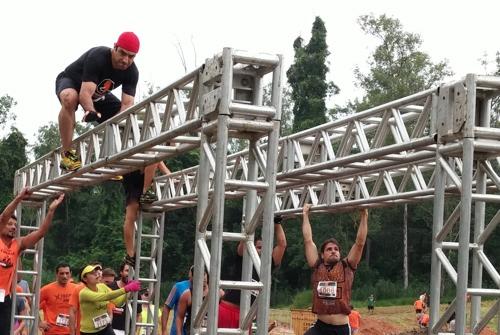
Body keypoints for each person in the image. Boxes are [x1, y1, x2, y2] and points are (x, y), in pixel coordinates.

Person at [56, 31, 140, 171]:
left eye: (131, 56)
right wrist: (91, 111)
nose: (125, 60)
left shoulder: (132, 72)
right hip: (72, 83)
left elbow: (127, 104)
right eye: (123, 53)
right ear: (115, 47)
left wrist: (116, 123)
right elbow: (84, 94)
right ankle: (67, 155)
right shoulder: (98, 56)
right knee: (70, 98)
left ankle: (114, 158)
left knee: (125, 120)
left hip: (97, 94)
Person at [0, 188, 65, 335]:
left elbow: (41, 232)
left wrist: (51, 211)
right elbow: (3, 216)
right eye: (9, 224)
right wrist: (18, 199)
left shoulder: (18, 244)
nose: (13, 227)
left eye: (15, 225)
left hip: (4, 297)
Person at [301, 204, 368, 335]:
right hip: (320, 327)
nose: (333, 251)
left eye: (336, 249)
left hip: (341, 329)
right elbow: (308, 240)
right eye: (329, 249)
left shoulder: (347, 266)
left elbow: (360, 243)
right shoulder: (317, 265)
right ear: (322, 254)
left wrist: (364, 215)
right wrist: (305, 215)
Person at [218, 215, 287, 328]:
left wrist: (277, 223)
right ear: (251, 247)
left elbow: (282, 245)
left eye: (265, 248)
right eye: (259, 247)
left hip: (246, 316)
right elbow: (243, 243)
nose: (262, 250)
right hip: (228, 309)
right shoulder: (244, 259)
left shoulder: (267, 266)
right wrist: (252, 221)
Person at [78, 264, 140, 335]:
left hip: (105, 328)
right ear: (85, 279)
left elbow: (119, 302)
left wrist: (129, 291)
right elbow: (105, 297)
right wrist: (126, 288)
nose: (97, 275)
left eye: (96, 272)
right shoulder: (84, 293)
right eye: (92, 273)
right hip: (89, 332)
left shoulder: (102, 287)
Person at [39, 263, 78, 335]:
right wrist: (39, 322)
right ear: (56, 274)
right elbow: (33, 305)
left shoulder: (76, 288)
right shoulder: (47, 289)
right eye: (62, 273)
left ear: (70, 274)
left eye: (67, 273)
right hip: (52, 331)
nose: (65, 276)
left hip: (72, 331)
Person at [105, 263, 141, 335]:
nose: (130, 274)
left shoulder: (136, 292)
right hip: (108, 330)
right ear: (121, 272)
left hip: (126, 331)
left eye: (132, 271)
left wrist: (134, 332)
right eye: (127, 270)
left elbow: (138, 314)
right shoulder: (109, 287)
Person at [161, 266, 194, 335]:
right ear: (190, 274)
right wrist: (164, 330)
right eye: (193, 271)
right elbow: (166, 307)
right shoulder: (178, 286)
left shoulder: (206, 290)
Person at [175, 269, 209, 335]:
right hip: (192, 331)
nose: (203, 278)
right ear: (193, 278)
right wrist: (179, 333)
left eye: (204, 274)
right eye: (200, 275)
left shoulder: (216, 293)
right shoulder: (187, 294)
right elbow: (179, 317)